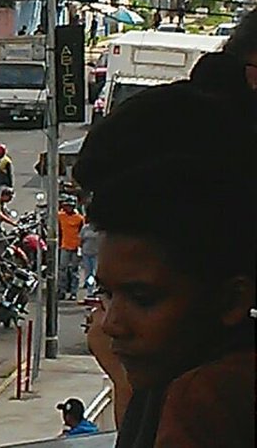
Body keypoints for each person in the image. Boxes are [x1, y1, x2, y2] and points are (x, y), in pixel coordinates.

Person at [74, 78, 256, 448]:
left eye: (142, 297)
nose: (111, 324)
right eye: (106, 293)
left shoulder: (207, 397)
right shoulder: (173, 380)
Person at [57, 197, 85, 300]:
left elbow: (82, 232)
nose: (67, 208)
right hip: (65, 246)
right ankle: (62, 291)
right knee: (62, 270)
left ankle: (74, 292)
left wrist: (81, 247)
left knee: (74, 271)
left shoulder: (79, 218)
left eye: (69, 206)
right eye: (66, 206)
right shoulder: (61, 216)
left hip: (76, 247)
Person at [79, 217, 100, 293]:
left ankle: (93, 288)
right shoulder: (85, 228)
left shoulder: (99, 229)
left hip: (96, 254)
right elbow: (80, 239)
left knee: (94, 273)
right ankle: (90, 290)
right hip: (86, 253)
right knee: (88, 273)